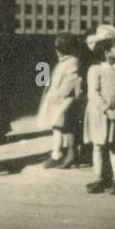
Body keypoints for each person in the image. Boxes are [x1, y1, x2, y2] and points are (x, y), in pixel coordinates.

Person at [85, 37, 115, 195]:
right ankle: (98, 178)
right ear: (106, 52)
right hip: (99, 114)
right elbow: (93, 93)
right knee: (98, 146)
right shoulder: (95, 70)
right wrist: (107, 109)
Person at [38, 34, 84, 169]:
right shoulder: (63, 61)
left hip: (65, 100)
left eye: (58, 48)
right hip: (58, 100)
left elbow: (71, 80)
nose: (56, 50)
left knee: (63, 126)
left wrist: (59, 94)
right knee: (57, 127)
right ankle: (57, 153)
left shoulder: (72, 62)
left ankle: (64, 154)